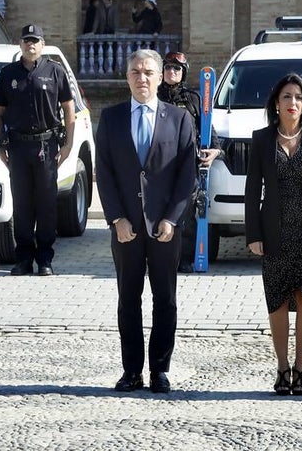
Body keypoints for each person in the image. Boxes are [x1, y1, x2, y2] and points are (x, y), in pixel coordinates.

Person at [95, 49, 198, 394]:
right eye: (136, 72)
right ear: (127, 78)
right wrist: (116, 218)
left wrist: (172, 217)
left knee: (165, 299)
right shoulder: (110, 119)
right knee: (129, 299)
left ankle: (160, 370)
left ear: (159, 77)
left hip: (165, 229)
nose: (142, 78)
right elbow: (104, 173)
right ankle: (131, 371)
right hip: (126, 227)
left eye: (149, 72)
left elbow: (187, 175)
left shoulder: (180, 119)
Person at [245, 73, 302, 396]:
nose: (293, 103)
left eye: (298, 98)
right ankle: (282, 367)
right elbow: (251, 190)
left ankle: (300, 368)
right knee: (277, 302)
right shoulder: (261, 139)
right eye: (287, 97)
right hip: (274, 232)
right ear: (276, 103)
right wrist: (253, 233)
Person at [0, 24, 76, 276]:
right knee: (22, 204)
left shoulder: (55, 71)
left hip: (46, 146)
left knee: (46, 204)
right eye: (27, 40)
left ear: (42, 44)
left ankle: (45, 259)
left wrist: (68, 145)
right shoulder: (8, 74)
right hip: (18, 146)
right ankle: (24, 258)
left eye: (35, 40)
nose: (31, 45)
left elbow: (69, 110)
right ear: (20, 44)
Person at [156, 51, 221, 274]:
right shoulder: (153, 97)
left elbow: (209, 130)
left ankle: (184, 259)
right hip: (158, 166)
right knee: (157, 212)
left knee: (186, 215)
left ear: (183, 73)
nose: (171, 71)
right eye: (167, 67)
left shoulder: (193, 99)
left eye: (176, 68)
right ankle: (159, 257)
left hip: (186, 165)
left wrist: (215, 150)